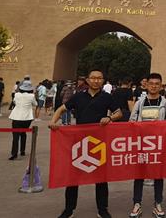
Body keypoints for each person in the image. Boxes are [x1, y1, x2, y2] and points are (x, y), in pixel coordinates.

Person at [49, 69, 122, 218]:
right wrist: (53, 122)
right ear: (87, 80)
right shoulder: (78, 96)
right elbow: (61, 109)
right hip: (79, 142)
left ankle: (102, 209)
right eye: (93, 78)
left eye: (99, 78)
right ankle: (69, 209)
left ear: (103, 81)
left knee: (101, 178)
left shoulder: (107, 97)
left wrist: (110, 118)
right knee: (73, 177)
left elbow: (119, 113)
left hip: (99, 142)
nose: (96, 80)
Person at [129, 73, 166, 218]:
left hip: (158, 146)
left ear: (161, 86)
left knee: (158, 175)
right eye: (151, 83)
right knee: (139, 175)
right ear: (146, 85)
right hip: (141, 145)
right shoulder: (139, 103)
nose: (154, 86)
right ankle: (137, 204)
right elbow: (132, 122)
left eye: (157, 84)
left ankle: (158, 203)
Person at [8, 80, 36, 160]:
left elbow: (14, 102)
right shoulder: (32, 96)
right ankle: (22, 150)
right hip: (27, 118)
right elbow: (35, 104)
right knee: (23, 133)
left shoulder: (17, 94)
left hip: (16, 117)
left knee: (15, 135)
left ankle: (14, 153)